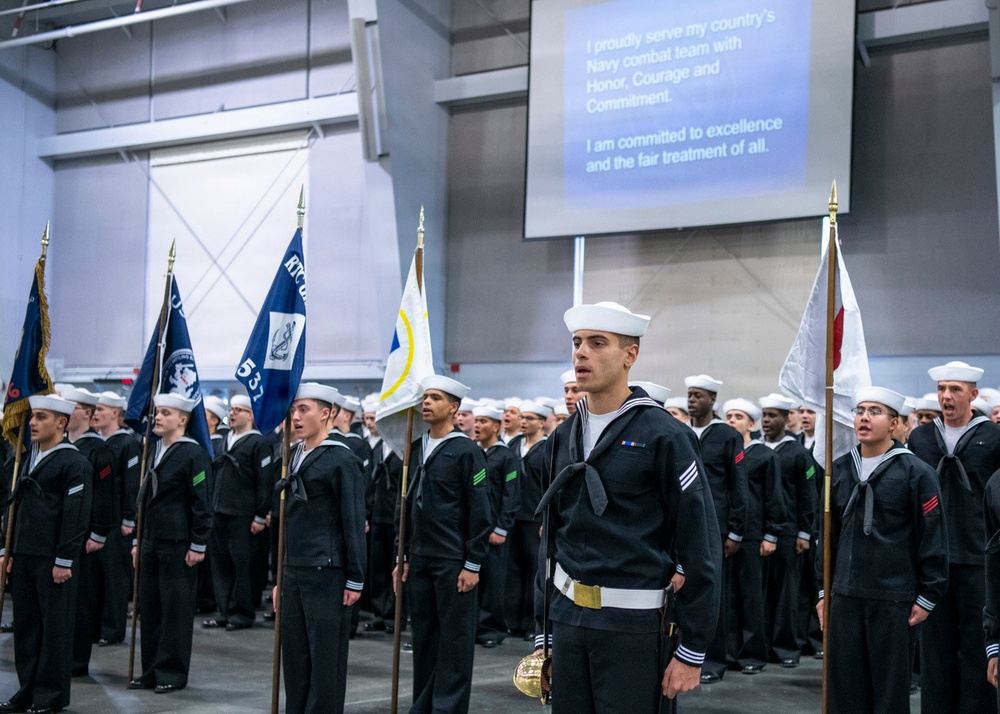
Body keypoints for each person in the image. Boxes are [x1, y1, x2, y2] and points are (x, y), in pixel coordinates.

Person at [536, 301, 721, 712]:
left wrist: (692, 648)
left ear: (630, 355)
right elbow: (551, 540)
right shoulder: (563, 437)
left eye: (597, 343)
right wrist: (543, 632)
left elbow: (700, 544)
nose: (581, 353)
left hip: (634, 628)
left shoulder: (665, 436)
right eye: (577, 342)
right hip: (567, 622)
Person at [817, 387, 947, 714]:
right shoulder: (839, 470)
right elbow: (827, 536)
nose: (864, 417)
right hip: (845, 597)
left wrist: (928, 595)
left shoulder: (917, 473)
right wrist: (823, 591)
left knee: (889, 695)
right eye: (860, 410)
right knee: (844, 693)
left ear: (894, 423)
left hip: (893, 599)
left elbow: (932, 536)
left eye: (875, 411)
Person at [394, 375, 491, 714]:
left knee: (455, 640)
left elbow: (481, 510)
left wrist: (473, 563)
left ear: (453, 407)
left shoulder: (466, 451)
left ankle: (447, 708)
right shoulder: (417, 447)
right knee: (424, 637)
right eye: (425, 397)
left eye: (435, 398)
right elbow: (406, 506)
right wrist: (402, 555)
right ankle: (423, 705)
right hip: (420, 557)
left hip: (453, 559)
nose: (427, 403)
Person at [908, 361, 1000, 713]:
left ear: (972, 395)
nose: (946, 396)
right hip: (934, 559)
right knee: (934, 650)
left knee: (977, 648)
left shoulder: (993, 438)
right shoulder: (921, 439)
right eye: (942, 389)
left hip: (978, 558)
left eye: (955, 390)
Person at [273, 383, 366, 714]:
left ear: (327, 413)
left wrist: (355, 577)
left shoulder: (341, 459)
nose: (296, 417)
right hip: (294, 568)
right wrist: (280, 575)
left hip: (326, 570)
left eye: (304, 410)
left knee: (325, 658)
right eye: (293, 410)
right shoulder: (293, 454)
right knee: (294, 655)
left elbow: (353, 521)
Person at [0, 394, 91, 714]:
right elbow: (14, 506)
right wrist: (7, 549)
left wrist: (64, 559)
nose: (33, 423)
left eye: (41, 417)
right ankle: (27, 689)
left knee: (54, 629)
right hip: (25, 554)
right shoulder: (28, 458)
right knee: (27, 628)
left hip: (53, 560)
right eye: (33, 417)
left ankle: (49, 695)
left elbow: (76, 515)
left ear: (61, 422)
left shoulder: (74, 462)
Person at [130, 393, 212, 694]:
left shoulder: (193, 454)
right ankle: (151, 670)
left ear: (183, 419)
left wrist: (199, 543)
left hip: (179, 543)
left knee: (175, 611)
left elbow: (202, 500)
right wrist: (138, 539)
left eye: (166, 413)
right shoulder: (154, 449)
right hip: (151, 539)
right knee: (150, 609)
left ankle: (172, 672)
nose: (158, 417)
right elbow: (144, 499)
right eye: (157, 412)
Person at [684, 374, 748, 683]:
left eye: (698, 395)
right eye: (689, 395)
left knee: (713, 595)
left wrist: (735, 530)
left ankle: (713, 660)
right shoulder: (681, 432)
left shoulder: (727, 436)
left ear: (712, 400)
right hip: (685, 524)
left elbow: (738, 483)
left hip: (716, 526)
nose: (692, 400)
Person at [723, 398, 786, 675]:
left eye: (738, 417)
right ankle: (728, 652)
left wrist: (771, 534)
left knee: (751, 598)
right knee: (728, 598)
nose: (731, 421)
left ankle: (752, 654)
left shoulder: (764, 455)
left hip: (753, 535)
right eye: (729, 416)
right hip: (728, 534)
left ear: (751, 424)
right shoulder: (725, 452)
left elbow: (773, 496)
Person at [758, 393, 817, 668]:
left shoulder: (799, 454)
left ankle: (786, 648)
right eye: (764, 415)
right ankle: (762, 645)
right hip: (759, 530)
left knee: (786, 593)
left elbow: (808, 493)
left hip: (788, 531)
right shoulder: (756, 448)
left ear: (785, 419)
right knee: (761, 593)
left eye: (773, 415)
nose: (766, 420)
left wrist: (804, 532)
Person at [61, 388, 116, 678]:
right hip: (64, 533)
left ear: (86, 412)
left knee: (82, 598)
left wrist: (98, 533)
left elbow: (105, 494)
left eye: (70, 407)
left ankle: (77, 659)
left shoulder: (98, 449)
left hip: (86, 536)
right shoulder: (63, 445)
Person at [204, 394, 271, 631]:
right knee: (221, 567)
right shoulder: (225, 440)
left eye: (238, 410)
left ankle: (241, 613)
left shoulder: (258, 443)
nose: (232, 414)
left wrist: (260, 514)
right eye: (231, 409)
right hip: (220, 511)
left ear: (251, 415)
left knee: (242, 568)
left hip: (243, 515)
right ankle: (224, 611)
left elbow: (264, 481)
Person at [92, 391, 140, 646]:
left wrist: (129, 519)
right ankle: (97, 625)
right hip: (98, 519)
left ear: (114, 412)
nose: (96, 414)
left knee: (115, 578)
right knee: (97, 578)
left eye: (101, 409)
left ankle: (112, 629)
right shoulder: (98, 442)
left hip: (117, 522)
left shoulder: (127, 444)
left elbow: (132, 484)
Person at [473, 402, 521, 647]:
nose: (477, 426)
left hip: (495, 529)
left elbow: (512, 493)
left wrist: (502, 527)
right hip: (476, 530)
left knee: (494, 581)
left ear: (495, 427)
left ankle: (491, 629)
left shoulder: (506, 457)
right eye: (476, 421)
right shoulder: (473, 453)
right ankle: (474, 626)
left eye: (483, 422)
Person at [505, 399, 549, 640]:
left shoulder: (547, 448)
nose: (524, 422)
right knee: (513, 570)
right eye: (522, 418)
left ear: (542, 423)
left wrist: (545, 518)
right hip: (514, 516)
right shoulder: (514, 445)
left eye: (529, 418)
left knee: (534, 571)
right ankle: (512, 620)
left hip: (534, 518)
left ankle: (531, 623)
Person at [363, 399, 403, 634]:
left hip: (395, 517)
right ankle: (380, 613)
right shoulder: (378, 448)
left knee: (395, 567)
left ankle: (395, 615)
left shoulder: (403, 449)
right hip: (378, 515)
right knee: (378, 567)